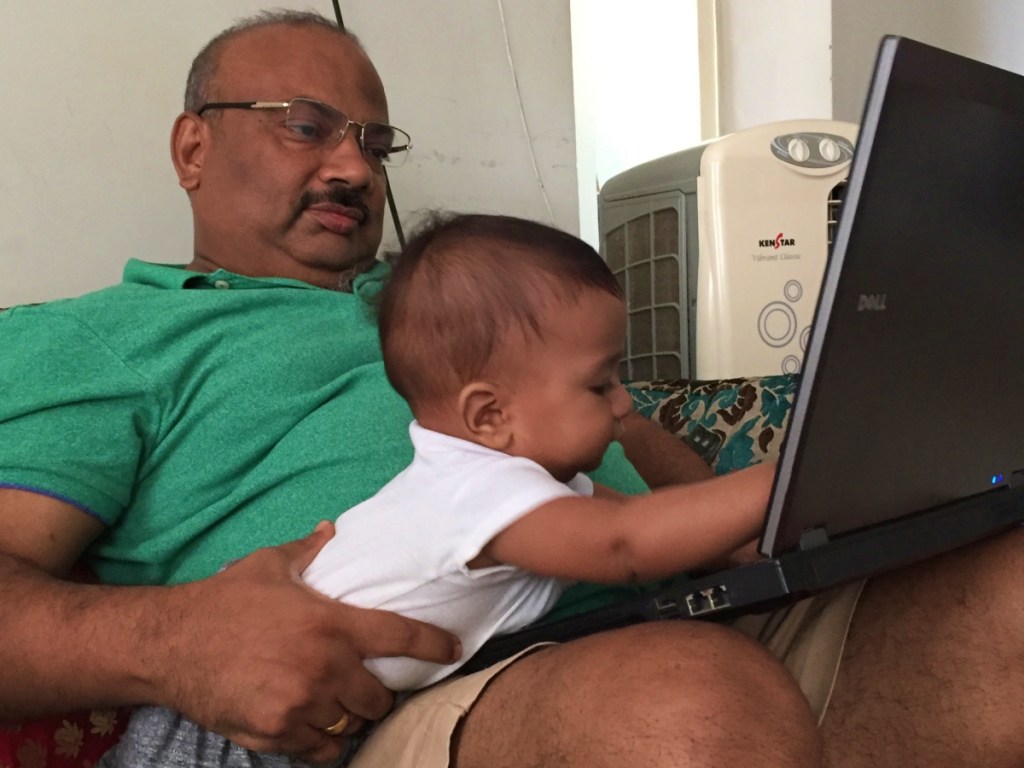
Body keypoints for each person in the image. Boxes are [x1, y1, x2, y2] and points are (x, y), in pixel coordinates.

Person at [1, 9, 1022, 768]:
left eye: (373, 141)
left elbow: (657, 504)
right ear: (192, 146)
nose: (355, 168)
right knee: (683, 704)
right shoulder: (103, 338)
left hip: (693, 610)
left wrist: (805, 484)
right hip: (438, 686)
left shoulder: (465, 310)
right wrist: (175, 642)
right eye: (305, 127)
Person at [100, 211, 779, 766]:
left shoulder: (523, 480)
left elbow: (647, 519)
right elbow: (627, 545)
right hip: (225, 744)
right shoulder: (480, 494)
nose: (625, 405)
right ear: (491, 416)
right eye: (600, 384)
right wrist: (776, 477)